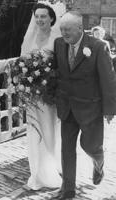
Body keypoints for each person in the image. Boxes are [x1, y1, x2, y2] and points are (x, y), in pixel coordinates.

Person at [53, 11, 116, 199]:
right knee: (67, 149)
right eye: (62, 29)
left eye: (68, 30)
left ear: (80, 28)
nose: (64, 33)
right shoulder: (58, 44)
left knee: (90, 146)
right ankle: (68, 189)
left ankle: (99, 162)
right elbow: (57, 71)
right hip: (67, 106)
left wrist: (109, 109)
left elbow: (108, 79)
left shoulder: (98, 47)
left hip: (91, 108)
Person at [21, 1, 66, 191]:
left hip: (50, 96)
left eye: (43, 16)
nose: (39, 20)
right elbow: (22, 61)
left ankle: (52, 168)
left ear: (51, 18)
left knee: (50, 131)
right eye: (37, 16)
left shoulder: (57, 38)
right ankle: (37, 173)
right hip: (32, 97)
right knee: (34, 132)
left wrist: (50, 81)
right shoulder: (29, 36)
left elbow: (63, 67)